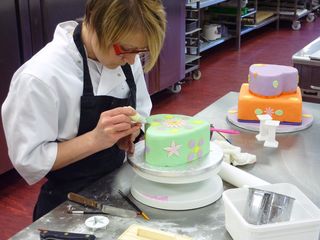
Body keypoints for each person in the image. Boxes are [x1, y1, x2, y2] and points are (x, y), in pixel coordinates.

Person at [1, 0, 166, 221]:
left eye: (140, 51)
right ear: (97, 26)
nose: (131, 60)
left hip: (118, 184)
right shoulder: (40, 77)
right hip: (66, 202)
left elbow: (142, 110)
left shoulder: (125, 56)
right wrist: (96, 139)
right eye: (125, 50)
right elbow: (30, 159)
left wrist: (131, 130)